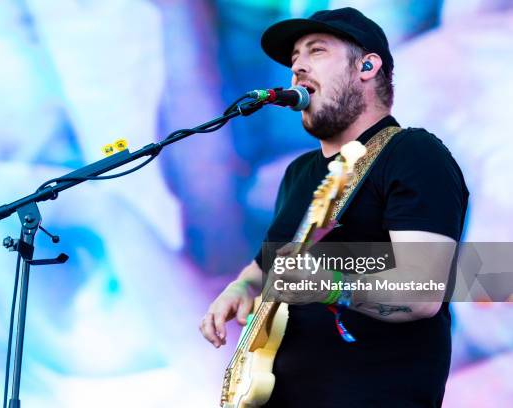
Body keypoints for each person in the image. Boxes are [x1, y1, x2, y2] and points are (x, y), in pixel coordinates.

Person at [199, 7, 469, 408]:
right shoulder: (299, 173)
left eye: (316, 51)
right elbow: (267, 269)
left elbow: (421, 292)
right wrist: (241, 287)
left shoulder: (411, 152)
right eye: (294, 59)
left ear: (367, 65)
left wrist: (328, 284)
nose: (298, 68)